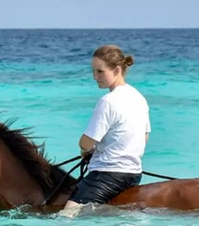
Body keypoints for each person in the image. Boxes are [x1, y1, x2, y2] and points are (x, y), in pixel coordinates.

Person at [64, 45, 151, 210]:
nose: (95, 77)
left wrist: (86, 151)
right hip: (133, 175)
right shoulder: (139, 98)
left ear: (117, 70)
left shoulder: (108, 101)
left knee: (66, 216)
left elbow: (85, 143)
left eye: (100, 72)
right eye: (93, 71)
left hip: (107, 174)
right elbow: (144, 138)